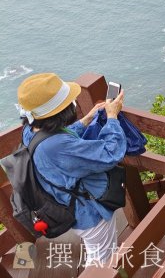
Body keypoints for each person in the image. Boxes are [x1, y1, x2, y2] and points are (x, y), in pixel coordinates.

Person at [16, 72, 127, 266]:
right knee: (102, 261)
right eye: (69, 101)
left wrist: (87, 119)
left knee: (96, 251)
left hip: (65, 201)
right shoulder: (57, 146)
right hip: (88, 212)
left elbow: (54, 139)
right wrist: (112, 117)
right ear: (61, 111)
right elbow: (110, 154)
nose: (74, 101)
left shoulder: (30, 130)